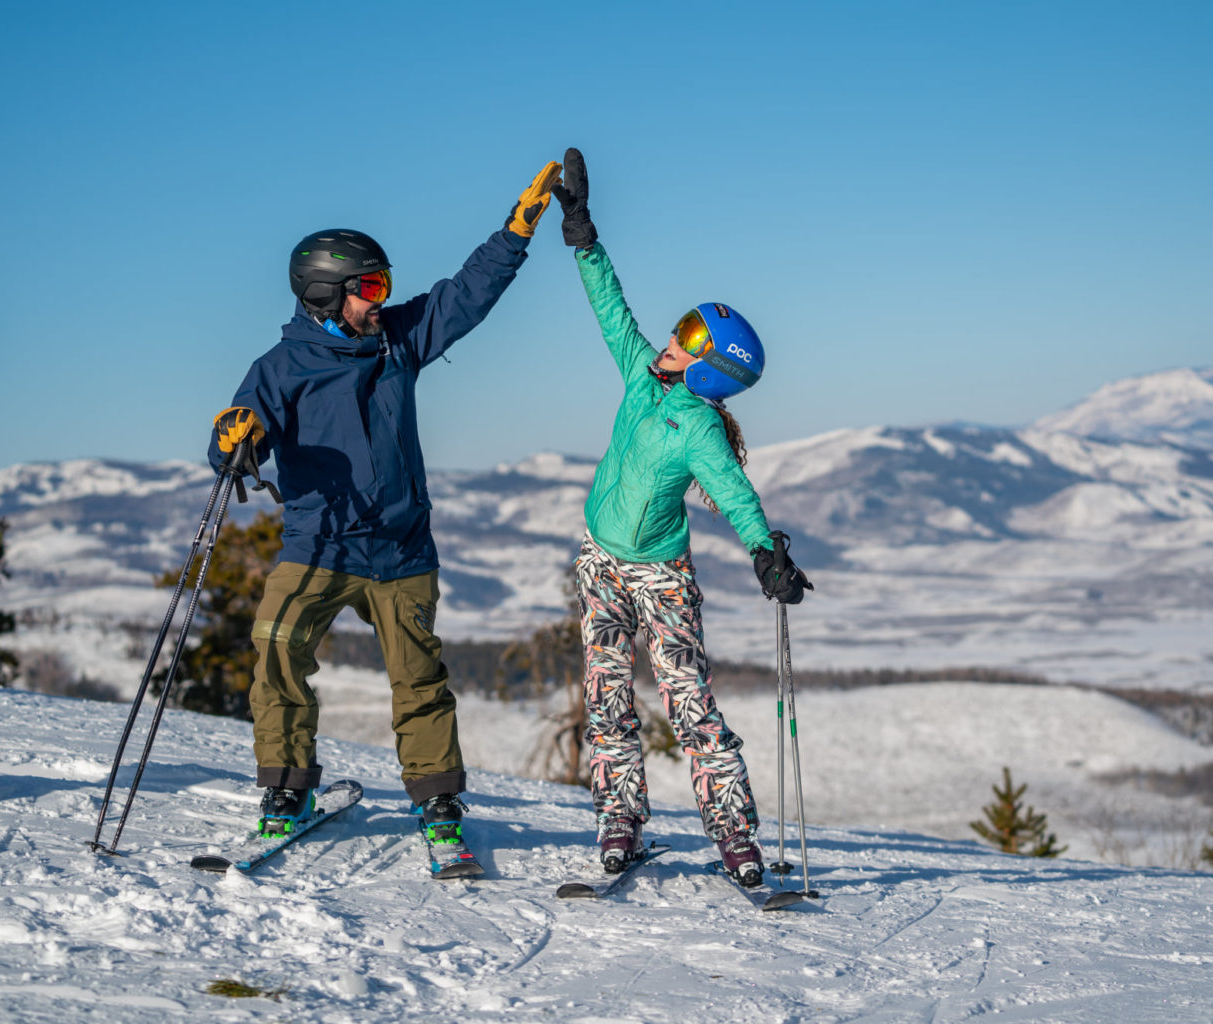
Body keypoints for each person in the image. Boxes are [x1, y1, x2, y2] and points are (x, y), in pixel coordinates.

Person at [209, 159, 562, 877]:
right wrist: (232, 441)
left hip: (401, 547)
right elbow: (237, 442)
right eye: (370, 287)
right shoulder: (281, 368)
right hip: (319, 545)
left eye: (385, 284)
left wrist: (516, 232)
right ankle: (287, 790)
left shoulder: (397, 341)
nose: (382, 299)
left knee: (419, 680)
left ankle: (437, 806)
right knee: (276, 651)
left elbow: (464, 296)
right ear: (324, 293)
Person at [550, 148, 812, 886]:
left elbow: (734, 491)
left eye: (689, 340)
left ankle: (734, 833)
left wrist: (764, 551)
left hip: (661, 576)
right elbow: (612, 309)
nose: (671, 339)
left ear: (711, 368)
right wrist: (585, 237)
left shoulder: (698, 427)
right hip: (600, 562)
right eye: (681, 328)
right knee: (606, 698)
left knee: (689, 701)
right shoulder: (642, 373)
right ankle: (620, 819)